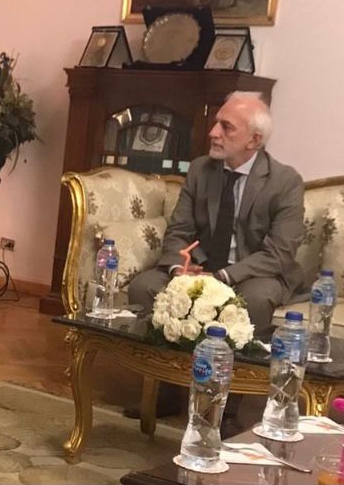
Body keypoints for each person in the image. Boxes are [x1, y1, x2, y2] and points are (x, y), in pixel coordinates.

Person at [126, 91, 305, 429]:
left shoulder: (284, 182)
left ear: (254, 140)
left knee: (252, 301)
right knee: (145, 287)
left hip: (254, 274)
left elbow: (279, 253)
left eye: (226, 127)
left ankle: (228, 407)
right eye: (215, 123)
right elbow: (179, 230)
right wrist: (180, 268)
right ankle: (164, 389)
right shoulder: (200, 170)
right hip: (201, 268)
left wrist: (222, 277)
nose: (213, 132)